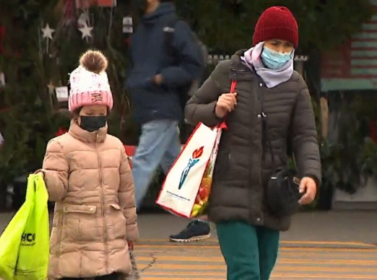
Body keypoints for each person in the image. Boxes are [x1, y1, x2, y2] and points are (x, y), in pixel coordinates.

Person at [184, 6, 321, 280]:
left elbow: (304, 136)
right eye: (274, 44)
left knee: (262, 272)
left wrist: (310, 175)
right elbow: (191, 110)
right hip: (231, 193)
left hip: (273, 197)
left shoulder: (295, 85)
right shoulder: (229, 72)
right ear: (259, 43)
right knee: (245, 273)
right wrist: (216, 109)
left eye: (286, 46)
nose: (280, 51)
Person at [38, 50, 138, 280]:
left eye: (101, 113)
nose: (96, 117)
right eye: (90, 112)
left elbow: (126, 194)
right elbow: (56, 192)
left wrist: (131, 232)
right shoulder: (60, 146)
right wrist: (45, 179)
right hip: (74, 246)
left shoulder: (116, 146)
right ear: (77, 113)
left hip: (111, 246)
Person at [126, 0, 209, 242]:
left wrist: (162, 79)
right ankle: (200, 220)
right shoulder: (143, 29)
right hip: (150, 105)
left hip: (162, 106)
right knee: (175, 166)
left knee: (143, 162)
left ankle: (119, 221)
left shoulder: (173, 27)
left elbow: (193, 64)